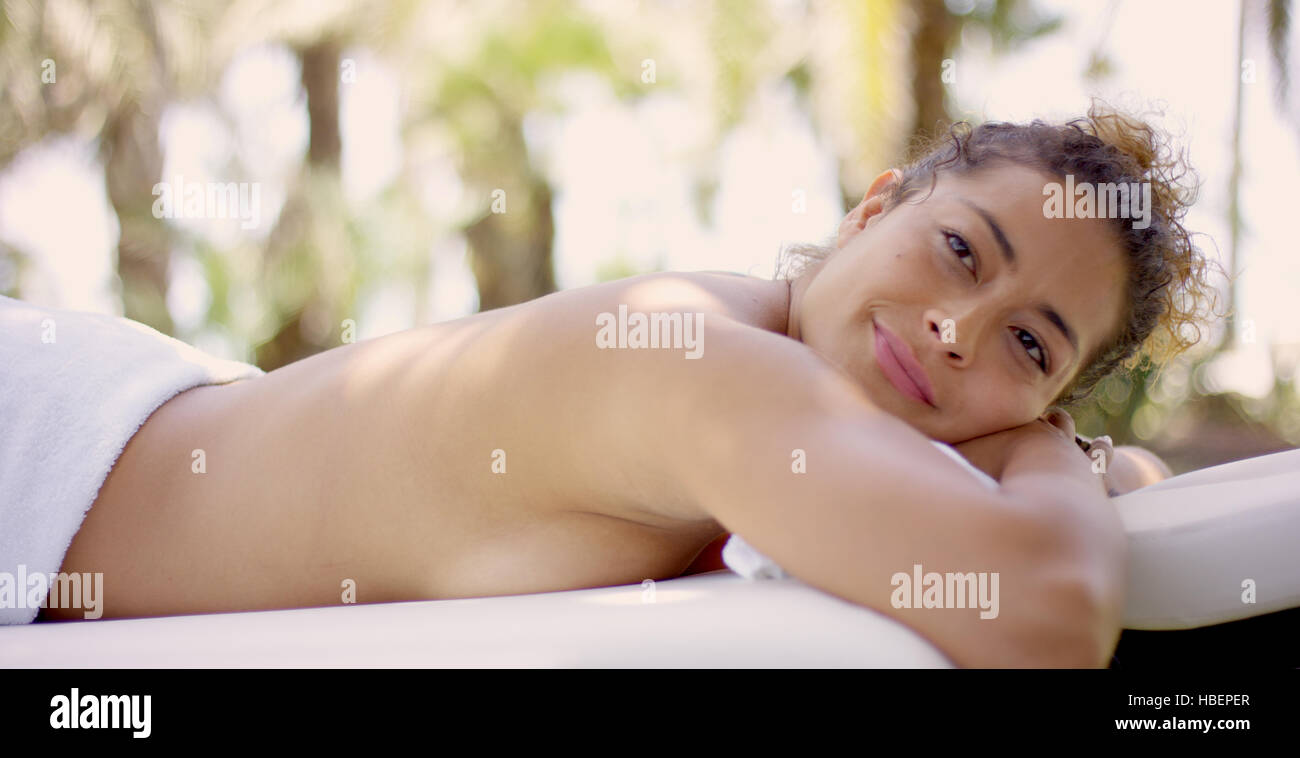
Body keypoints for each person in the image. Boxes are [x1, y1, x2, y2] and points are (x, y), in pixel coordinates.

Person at [42, 101, 1224, 668]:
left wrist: (1074, 455)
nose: (957, 329)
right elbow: (1046, 608)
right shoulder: (695, 358)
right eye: (960, 251)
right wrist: (1044, 449)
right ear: (875, 207)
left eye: (1031, 345)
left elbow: (1135, 482)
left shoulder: (805, 396)